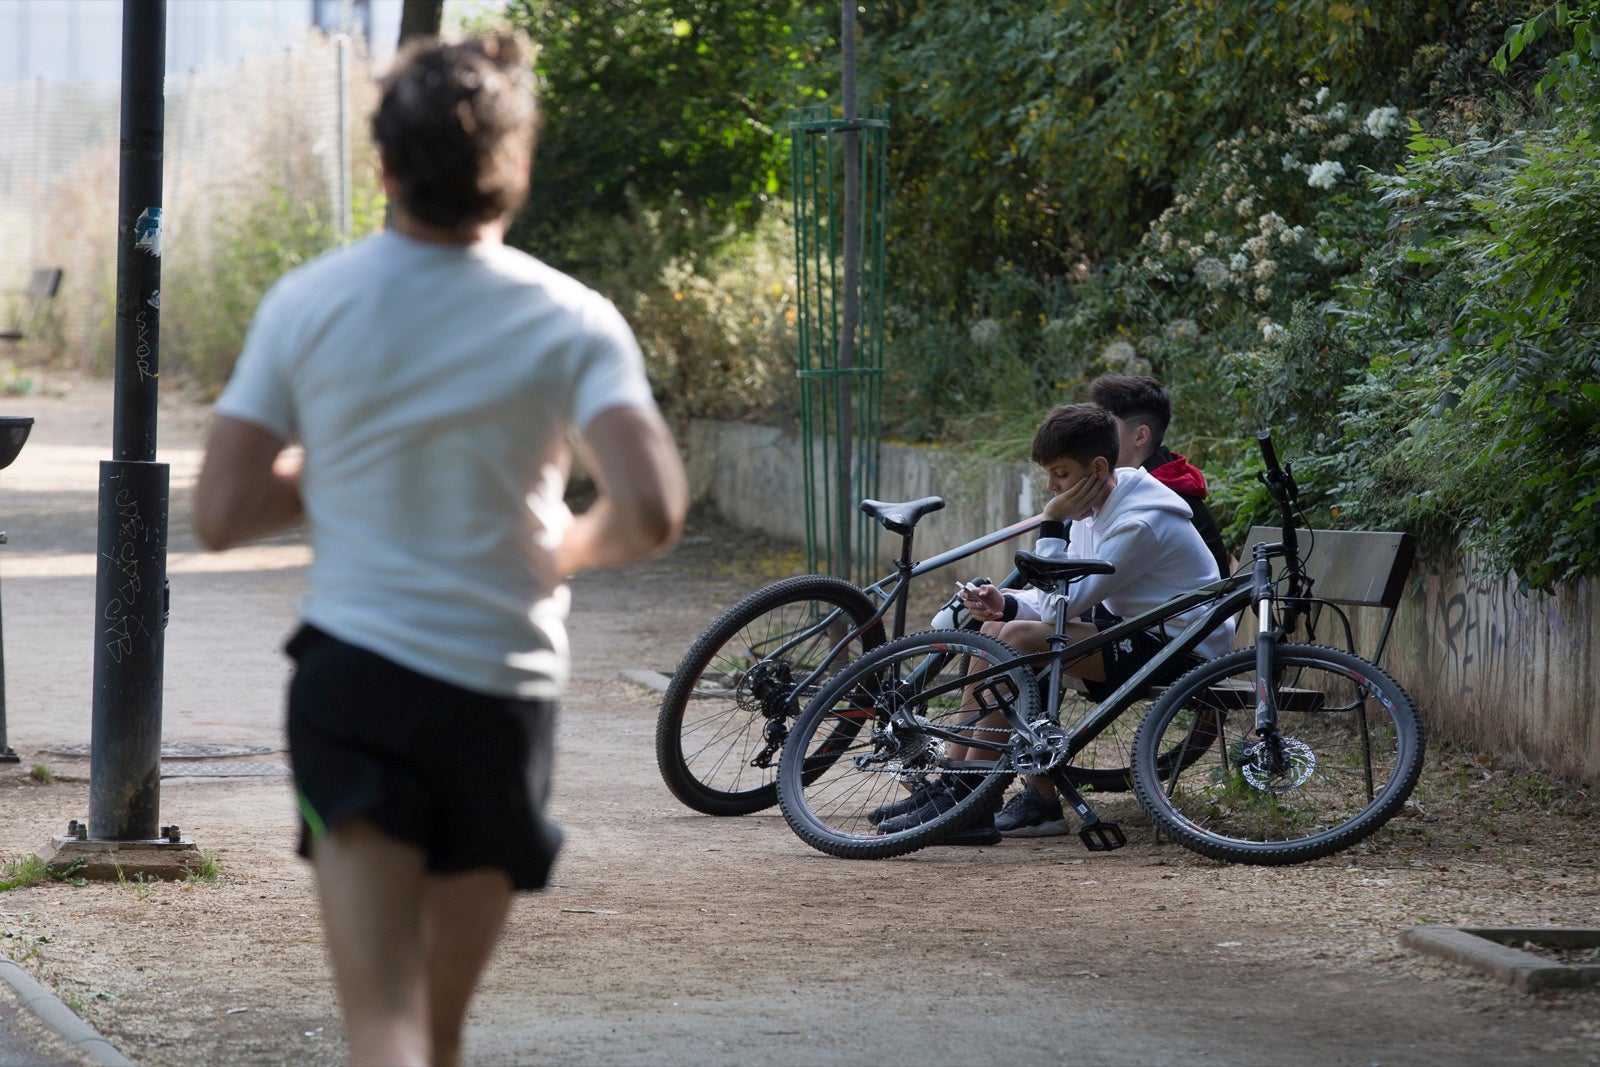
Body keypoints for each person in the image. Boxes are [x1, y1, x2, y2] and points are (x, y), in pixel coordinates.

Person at [191, 33, 688, 1067]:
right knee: (442, 1027)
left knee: (385, 1024)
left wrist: (342, 467)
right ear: (514, 166)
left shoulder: (309, 301)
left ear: (383, 167)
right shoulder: (572, 317)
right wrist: (566, 542)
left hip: (354, 683)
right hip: (498, 691)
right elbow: (649, 510)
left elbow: (223, 509)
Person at [874, 404, 1233, 843]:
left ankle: (971, 799)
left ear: (1098, 468)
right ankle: (960, 788)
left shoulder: (1141, 521)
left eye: (1060, 474)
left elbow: (1062, 604)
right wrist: (1004, 602)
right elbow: (1060, 597)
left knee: (1023, 639)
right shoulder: (1101, 503)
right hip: (1135, 632)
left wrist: (1053, 522)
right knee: (994, 634)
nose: (1052, 487)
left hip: (1185, 649)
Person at [1087, 373, 1231, 579]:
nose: (1090, 437)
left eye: (1104, 427)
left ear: (1140, 436)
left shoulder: (1163, 503)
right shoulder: (1138, 488)